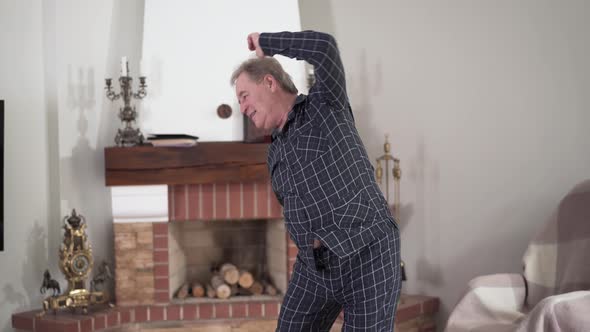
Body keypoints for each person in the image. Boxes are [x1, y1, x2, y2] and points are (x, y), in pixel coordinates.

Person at [231, 31, 401, 331]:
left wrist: (267, 43)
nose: (242, 108)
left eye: (244, 96)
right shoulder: (275, 152)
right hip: (315, 266)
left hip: (366, 251)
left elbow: (324, 47)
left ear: (269, 82)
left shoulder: (325, 106)